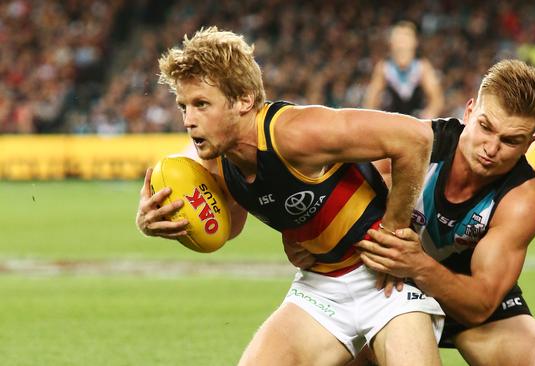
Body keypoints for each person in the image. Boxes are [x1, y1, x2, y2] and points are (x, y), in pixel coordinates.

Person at [135, 26, 445, 366]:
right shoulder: (217, 159)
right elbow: (228, 226)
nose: (188, 120)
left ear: (243, 100)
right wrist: (159, 223)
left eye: (201, 104)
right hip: (321, 289)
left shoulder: (295, 133)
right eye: (183, 106)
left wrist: (395, 229)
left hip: (388, 284)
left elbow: (415, 139)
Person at [288, 59, 535, 365]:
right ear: (469, 111)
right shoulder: (411, 146)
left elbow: (481, 305)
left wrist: (418, 265)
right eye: (486, 127)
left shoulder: (523, 198)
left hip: (463, 292)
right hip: (387, 287)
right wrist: (299, 237)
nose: (491, 148)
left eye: (511, 141)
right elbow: (316, 173)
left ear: (529, 143)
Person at [364, 21, 445, 119]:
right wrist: (374, 119)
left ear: (414, 42)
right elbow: (371, 99)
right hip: (391, 122)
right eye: (399, 39)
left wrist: (428, 116)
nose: (402, 44)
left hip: (416, 121)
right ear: (392, 44)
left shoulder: (422, 67)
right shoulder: (384, 68)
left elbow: (437, 99)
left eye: (406, 39)